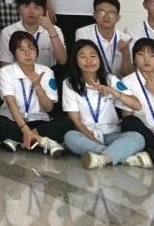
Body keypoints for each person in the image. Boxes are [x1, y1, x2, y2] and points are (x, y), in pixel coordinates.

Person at [61, 39, 148, 169]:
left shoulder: (110, 79)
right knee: (70, 137)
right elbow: (76, 121)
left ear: (99, 59)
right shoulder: (69, 84)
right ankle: (119, 156)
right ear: (76, 61)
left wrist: (112, 91)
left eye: (93, 56)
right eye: (83, 57)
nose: (89, 60)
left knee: (137, 137)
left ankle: (102, 158)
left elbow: (137, 105)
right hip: (86, 134)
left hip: (111, 134)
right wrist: (94, 140)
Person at [0, 30, 68, 156]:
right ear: (14, 53)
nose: (27, 53)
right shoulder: (6, 71)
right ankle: (43, 141)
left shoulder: (46, 71)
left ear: (37, 51)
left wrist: (38, 87)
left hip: (39, 121)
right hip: (15, 121)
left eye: (31, 48)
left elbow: (49, 108)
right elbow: (11, 103)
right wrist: (24, 129)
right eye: (22, 49)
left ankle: (16, 140)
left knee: (66, 123)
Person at [0, 0, 67, 72]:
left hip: (47, 75)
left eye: (36, 7)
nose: (31, 11)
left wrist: (50, 29)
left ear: (43, 11)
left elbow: (62, 60)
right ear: (19, 9)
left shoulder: (54, 29)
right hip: (18, 76)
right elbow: (5, 66)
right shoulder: (8, 32)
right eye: (26, 6)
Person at [75, 0, 134, 78]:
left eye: (111, 13)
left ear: (118, 18)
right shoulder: (83, 34)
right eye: (101, 12)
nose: (106, 16)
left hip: (117, 83)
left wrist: (125, 53)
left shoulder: (125, 38)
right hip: (92, 80)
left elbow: (128, 74)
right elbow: (82, 66)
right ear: (94, 15)